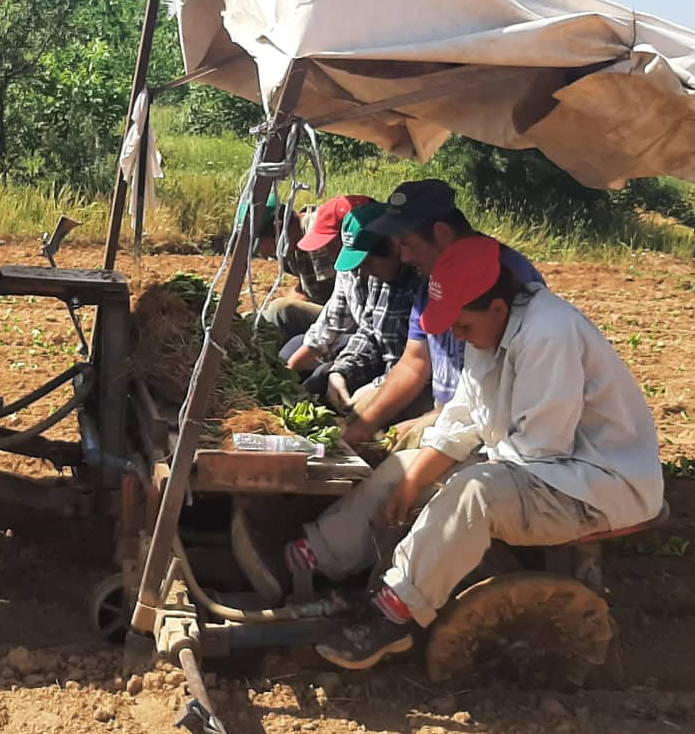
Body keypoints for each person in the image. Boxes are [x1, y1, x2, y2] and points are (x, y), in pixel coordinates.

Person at [283, 234, 664, 669]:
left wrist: (447, 482)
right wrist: (415, 479)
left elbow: (538, 448)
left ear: (498, 308)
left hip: (593, 484)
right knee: (405, 467)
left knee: (474, 492)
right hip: (539, 466)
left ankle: (393, 615)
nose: (458, 336)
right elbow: (465, 416)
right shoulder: (491, 330)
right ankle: (313, 559)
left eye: (463, 326)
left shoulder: (549, 334)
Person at [340, 179, 544, 451]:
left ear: (442, 233)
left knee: (399, 457)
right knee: (358, 417)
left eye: (407, 244)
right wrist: (363, 425)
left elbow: (506, 393)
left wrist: (435, 419)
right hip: (449, 411)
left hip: (491, 428)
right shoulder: (431, 279)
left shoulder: (503, 278)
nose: (403, 257)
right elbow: (415, 362)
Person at [282, 201, 420, 406]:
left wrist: (377, 387)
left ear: (393, 245)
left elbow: (412, 366)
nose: (363, 272)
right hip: (382, 366)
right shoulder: (377, 275)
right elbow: (369, 333)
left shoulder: (418, 284)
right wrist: (341, 372)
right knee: (315, 373)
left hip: (408, 382)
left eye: (368, 262)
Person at [258, 194, 368, 344]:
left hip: (348, 318)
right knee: (268, 314)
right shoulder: (290, 246)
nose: (263, 254)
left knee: (282, 310)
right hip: (335, 313)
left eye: (260, 245)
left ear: (278, 228)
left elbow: (334, 300)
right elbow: (306, 289)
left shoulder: (322, 236)